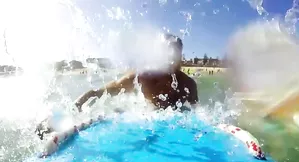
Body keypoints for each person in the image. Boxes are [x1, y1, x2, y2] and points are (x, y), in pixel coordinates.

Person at [35, 33, 199, 139]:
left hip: (176, 127)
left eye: (175, 55)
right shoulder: (144, 77)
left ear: (181, 57)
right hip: (148, 121)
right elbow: (101, 92)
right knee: (117, 112)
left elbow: (198, 116)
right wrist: (66, 113)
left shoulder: (188, 85)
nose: (170, 61)